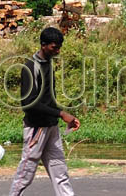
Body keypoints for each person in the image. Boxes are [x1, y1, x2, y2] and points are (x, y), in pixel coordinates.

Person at [8, 27, 79, 196]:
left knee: (60, 172)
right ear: (43, 45)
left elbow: (48, 97)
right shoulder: (30, 68)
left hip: (51, 127)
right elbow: (29, 103)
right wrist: (61, 114)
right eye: (54, 47)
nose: (58, 51)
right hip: (36, 129)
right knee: (25, 175)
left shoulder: (48, 64)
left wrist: (60, 116)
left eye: (59, 47)